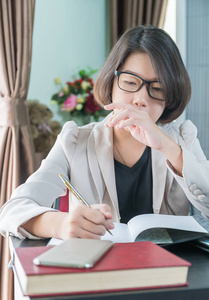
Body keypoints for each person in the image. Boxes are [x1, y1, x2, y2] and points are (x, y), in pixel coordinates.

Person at [1, 25, 209, 241]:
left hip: (169, 270)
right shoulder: (75, 141)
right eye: (130, 82)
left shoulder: (182, 138)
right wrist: (60, 224)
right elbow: (12, 210)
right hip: (98, 271)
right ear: (111, 84)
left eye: (157, 89)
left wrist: (168, 148)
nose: (140, 99)